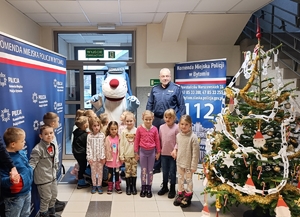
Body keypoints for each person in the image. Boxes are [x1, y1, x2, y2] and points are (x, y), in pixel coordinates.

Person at [146, 68, 186, 174]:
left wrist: (182, 120)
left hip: (170, 121)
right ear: (159, 77)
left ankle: (170, 168)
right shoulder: (154, 89)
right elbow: (150, 104)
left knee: (170, 143)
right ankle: (156, 166)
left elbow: (181, 105)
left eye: (167, 76)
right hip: (157, 119)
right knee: (156, 142)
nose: (165, 78)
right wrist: (148, 118)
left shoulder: (176, 88)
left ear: (170, 77)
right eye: (163, 76)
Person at [29, 125, 61, 217]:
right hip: (43, 179)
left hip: (52, 176)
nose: (49, 135)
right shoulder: (37, 149)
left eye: (51, 133)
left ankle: (52, 213)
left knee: (53, 196)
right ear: (41, 136)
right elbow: (32, 164)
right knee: (46, 198)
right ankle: (44, 214)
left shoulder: (53, 145)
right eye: (46, 134)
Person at [0, 127, 32, 217]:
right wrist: (10, 180)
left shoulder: (21, 153)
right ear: (13, 144)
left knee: (26, 214)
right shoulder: (4, 160)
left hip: (27, 191)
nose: (24, 142)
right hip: (14, 197)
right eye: (22, 141)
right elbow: (2, 180)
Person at [171, 115, 199, 208]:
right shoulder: (178, 135)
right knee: (180, 179)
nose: (183, 126)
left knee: (189, 180)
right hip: (179, 163)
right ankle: (180, 194)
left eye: (186, 124)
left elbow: (195, 154)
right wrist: (175, 151)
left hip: (188, 165)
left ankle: (188, 196)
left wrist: (193, 166)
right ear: (179, 124)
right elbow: (178, 146)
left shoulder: (193, 137)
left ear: (190, 125)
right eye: (182, 124)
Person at [134, 110, 160, 198]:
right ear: (143, 119)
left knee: (150, 171)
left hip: (152, 152)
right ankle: (143, 188)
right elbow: (136, 141)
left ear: (152, 119)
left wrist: (158, 152)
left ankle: (149, 188)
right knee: (143, 170)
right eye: (146, 119)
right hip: (143, 152)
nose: (148, 121)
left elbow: (157, 141)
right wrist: (136, 152)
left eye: (150, 119)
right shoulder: (139, 128)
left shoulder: (155, 129)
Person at [43, 112, 65, 212]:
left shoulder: (52, 133)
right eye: (57, 121)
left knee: (53, 184)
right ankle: (51, 203)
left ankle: (53, 200)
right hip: (49, 166)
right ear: (52, 123)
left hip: (54, 164)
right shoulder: (48, 136)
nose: (58, 123)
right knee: (50, 184)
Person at [157, 109, 179, 199]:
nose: (168, 119)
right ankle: (165, 186)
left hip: (173, 154)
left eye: (170, 118)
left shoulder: (177, 127)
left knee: (172, 172)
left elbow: (178, 141)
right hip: (164, 153)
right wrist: (159, 151)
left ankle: (172, 188)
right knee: (164, 171)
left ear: (174, 118)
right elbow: (159, 139)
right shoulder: (161, 127)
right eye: (166, 117)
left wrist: (175, 150)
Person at [119, 112, 137, 195]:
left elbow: (139, 143)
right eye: (127, 121)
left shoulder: (137, 130)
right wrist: (121, 155)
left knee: (134, 171)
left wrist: (138, 154)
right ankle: (128, 187)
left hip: (134, 155)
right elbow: (121, 144)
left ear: (134, 120)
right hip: (126, 155)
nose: (129, 123)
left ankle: (133, 186)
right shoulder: (123, 132)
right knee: (127, 172)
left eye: (131, 121)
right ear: (125, 122)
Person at [86, 117, 106, 194]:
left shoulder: (102, 135)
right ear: (91, 126)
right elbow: (88, 147)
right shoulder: (89, 136)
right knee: (93, 172)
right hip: (93, 158)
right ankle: (94, 185)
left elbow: (103, 147)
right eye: (94, 125)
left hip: (100, 158)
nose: (96, 127)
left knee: (100, 172)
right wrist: (89, 157)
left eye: (98, 125)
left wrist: (103, 157)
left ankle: (99, 185)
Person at [72, 116, 90, 189]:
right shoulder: (84, 135)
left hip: (76, 152)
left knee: (81, 166)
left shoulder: (77, 132)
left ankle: (82, 177)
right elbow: (87, 145)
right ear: (85, 125)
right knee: (82, 166)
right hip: (81, 153)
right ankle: (81, 182)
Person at [105, 121, 122, 194]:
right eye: (112, 129)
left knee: (117, 172)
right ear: (109, 129)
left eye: (115, 129)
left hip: (117, 159)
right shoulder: (107, 138)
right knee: (110, 173)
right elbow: (105, 149)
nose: (114, 131)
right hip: (110, 160)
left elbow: (121, 147)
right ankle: (110, 185)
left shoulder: (119, 137)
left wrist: (122, 157)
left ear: (117, 129)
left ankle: (117, 185)